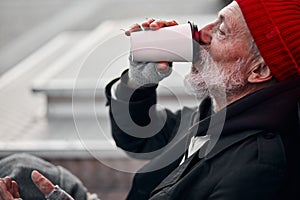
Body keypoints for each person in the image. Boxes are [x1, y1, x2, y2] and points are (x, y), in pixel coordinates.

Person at [1, 0, 300, 199]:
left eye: (221, 31)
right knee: (18, 167)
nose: (201, 34)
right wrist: (138, 84)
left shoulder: (258, 172)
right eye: (213, 21)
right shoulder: (216, 115)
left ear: (258, 69)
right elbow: (137, 138)